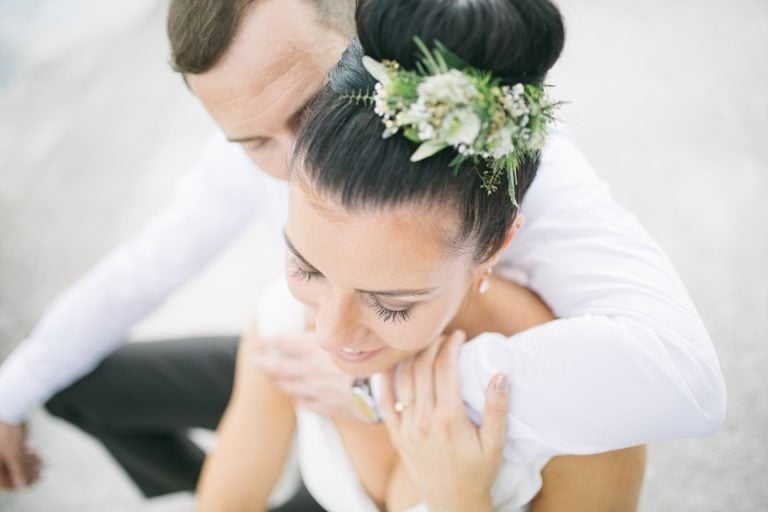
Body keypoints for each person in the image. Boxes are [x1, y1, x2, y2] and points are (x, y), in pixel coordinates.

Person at [0, 0, 725, 502]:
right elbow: (141, 271)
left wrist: (386, 393)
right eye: (251, 140)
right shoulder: (295, 303)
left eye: (306, 109)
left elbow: (685, 380)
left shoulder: (504, 163)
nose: (293, 164)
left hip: (430, 371)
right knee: (76, 381)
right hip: (329, 370)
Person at [196, 1, 651, 509]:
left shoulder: (593, 416)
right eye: (307, 268)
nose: (328, 334)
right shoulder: (285, 325)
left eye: (392, 303)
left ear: (494, 250)